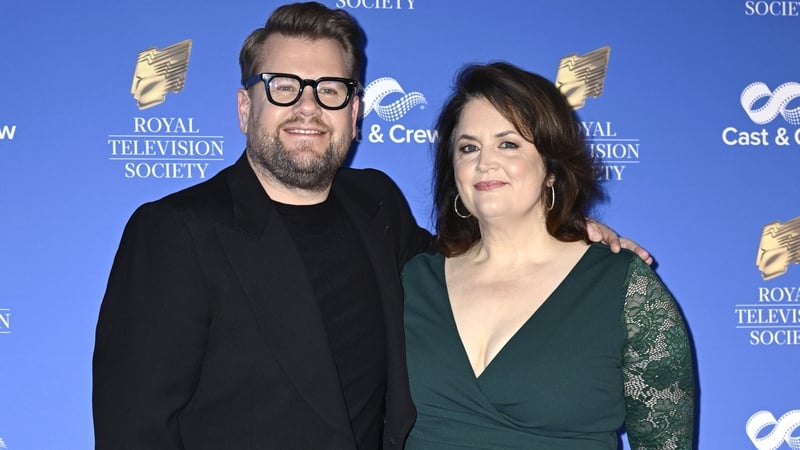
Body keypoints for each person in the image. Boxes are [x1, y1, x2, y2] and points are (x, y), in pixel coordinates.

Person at [93, 3, 647, 449]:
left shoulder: (376, 204)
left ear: (355, 113)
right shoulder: (174, 231)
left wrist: (571, 232)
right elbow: (134, 430)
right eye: (283, 86)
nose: (308, 107)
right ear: (245, 107)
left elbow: (478, 260)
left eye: (330, 90)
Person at [402, 62, 695, 449]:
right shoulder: (412, 279)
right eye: (468, 147)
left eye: (508, 144)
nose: (484, 162)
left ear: (552, 168)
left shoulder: (623, 288)